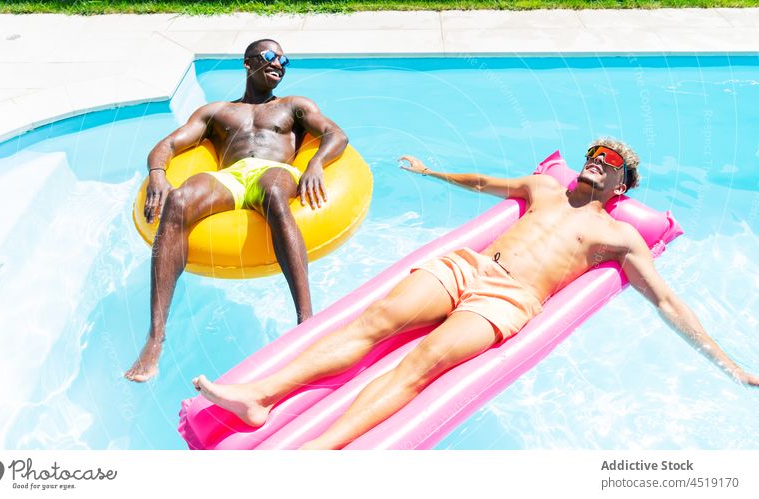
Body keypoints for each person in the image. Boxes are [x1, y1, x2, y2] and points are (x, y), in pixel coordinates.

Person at [191, 138, 758, 448]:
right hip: (469, 268)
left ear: (623, 186)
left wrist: (728, 364)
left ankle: (318, 455)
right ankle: (259, 397)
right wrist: (430, 172)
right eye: (594, 152)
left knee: (421, 363)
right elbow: (485, 183)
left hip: (507, 301)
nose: (595, 160)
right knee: (374, 320)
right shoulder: (544, 186)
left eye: (608, 162)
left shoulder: (621, 235)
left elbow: (665, 301)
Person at [125, 39, 348, 382]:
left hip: (275, 173)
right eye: (271, 56)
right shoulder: (216, 112)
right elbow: (168, 145)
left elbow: (336, 134)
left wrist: (316, 163)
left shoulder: (293, 106)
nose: (280, 63)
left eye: (284, 59)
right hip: (231, 177)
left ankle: (306, 323)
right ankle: (155, 338)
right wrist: (157, 174)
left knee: (273, 194)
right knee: (178, 200)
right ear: (248, 62)